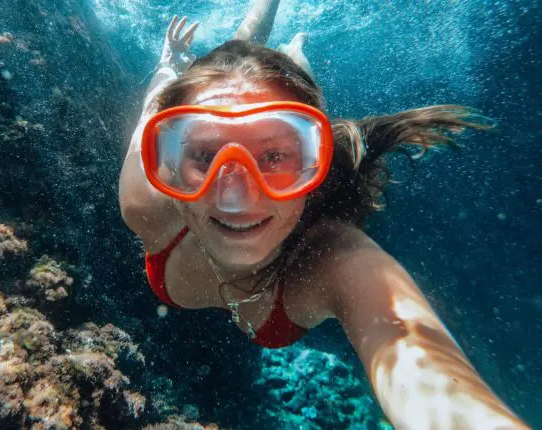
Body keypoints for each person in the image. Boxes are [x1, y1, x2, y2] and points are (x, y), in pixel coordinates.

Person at [119, 1, 529, 428]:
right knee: (235, 64)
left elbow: (419, 363)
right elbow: (153, 106)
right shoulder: (146, 202)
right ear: (167, 161)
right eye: (205, 154)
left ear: (313, 163)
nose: (234, 199)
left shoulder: (334, 260)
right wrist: (169, 65)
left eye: (274, 155)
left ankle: (296, 48)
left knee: (287, 71)